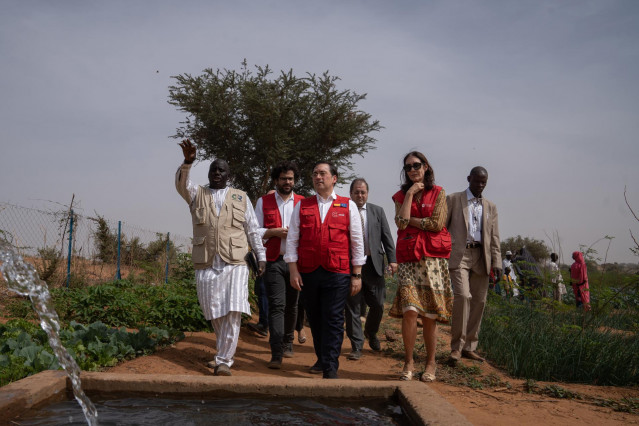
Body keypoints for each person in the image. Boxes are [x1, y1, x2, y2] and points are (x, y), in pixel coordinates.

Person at [175, 139, 266, 376]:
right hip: (206, 262)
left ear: (229, 176)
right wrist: (187, 162)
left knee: (233, 309)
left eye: (221, 170)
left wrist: (261, 256)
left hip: (235, 262)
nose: (217, 173)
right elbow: (181, 185)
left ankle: (225, 360)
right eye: (213, 169)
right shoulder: (197, 194)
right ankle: (221, 353)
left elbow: (253, 230)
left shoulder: (240, 197)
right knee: (214, 310)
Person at [285, 161, 365, 379]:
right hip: (309, 272)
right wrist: (293, 270)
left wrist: (356, 274)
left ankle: (331, 366)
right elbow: (292, 240)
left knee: (333, 318)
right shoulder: (302, 206)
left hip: (338, 272)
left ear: (334, 178)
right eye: (314, 174)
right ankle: (322, 358)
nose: (318, 177)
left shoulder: (348, 206)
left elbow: (357, 243)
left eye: (322, 173)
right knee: (315, 317)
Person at [388, 151, 453, 383]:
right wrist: (409, 196)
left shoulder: (439, 192)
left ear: (426, 167)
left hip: (433, 260)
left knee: (429, 315)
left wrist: (412, 222)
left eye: (417, 165)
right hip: (408, 259)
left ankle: (431, 362)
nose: (412, 170)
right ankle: (408, 361)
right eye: (408, 167)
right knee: (410, 311)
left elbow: (437, 224)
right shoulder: (399, 195)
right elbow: (399, 222)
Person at [447, 166, 501, 364]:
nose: (480, 185)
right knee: (462, 296)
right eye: (477, 181)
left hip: (482, 256)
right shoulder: (454, 199)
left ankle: (470, 346)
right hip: (459, 254)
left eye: (483, 182)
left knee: (479, 300)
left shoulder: (491, 207)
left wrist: (497, 261)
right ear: (469, 178)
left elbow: (494, 236)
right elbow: (443, 228)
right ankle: (456, 347)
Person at [254, 162, 304, 368]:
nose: (287, 182)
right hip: (273, 260)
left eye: (290, 178)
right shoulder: (263, 201)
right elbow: (255, 231)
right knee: (277, 306)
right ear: (276, 180)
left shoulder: (303, 202)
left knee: (292, 305)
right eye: (283, 178)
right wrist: (274, 231)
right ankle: (276, 352)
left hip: (296, 263)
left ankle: (288, 342)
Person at [345, 178, 397, 361]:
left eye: (363, 192)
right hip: (351, 266)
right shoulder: (344, 210)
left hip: (374, 265)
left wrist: (393, 260)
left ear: (367, 193)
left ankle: (371, 332)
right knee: (352, 306)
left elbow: (387, 237)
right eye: (356, 192)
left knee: (378, 304)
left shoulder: (377, 211)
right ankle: (356, 345)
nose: (360, 195)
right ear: (350, 194)